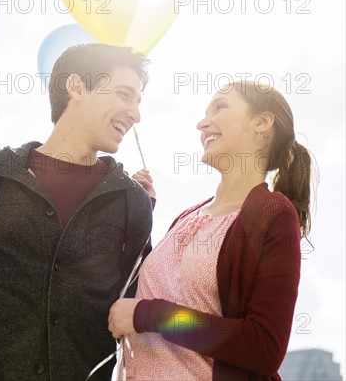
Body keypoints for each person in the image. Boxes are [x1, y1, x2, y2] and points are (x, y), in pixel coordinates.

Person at [108, 80, 315, 381]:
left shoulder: (273, 213)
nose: (202, 123)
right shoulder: (187, 215)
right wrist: (142, 211)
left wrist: (151, 315)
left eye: (220, 107)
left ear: (262, 122)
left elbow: (263, 347)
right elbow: (141, 294)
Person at [0, 44, 155, 381]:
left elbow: (137, 309)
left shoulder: (134, 204)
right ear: (77, 86)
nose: (135, 113)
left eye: (138, 101)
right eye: (123, 94)